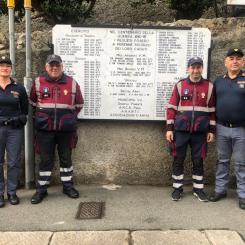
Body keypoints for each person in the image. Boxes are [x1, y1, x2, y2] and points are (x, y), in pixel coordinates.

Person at [30, 54, 84, 204]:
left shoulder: (72, 83)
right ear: (46, 67)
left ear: (62, 67)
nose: (54, 68)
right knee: (45, 160)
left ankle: (68, 187)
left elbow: (79, 104)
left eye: (57, 65)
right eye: (51, 65)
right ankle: (41, 190)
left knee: (66, 159)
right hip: (44, 129)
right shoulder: (38, 82)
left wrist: (68, 119)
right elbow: (33, 102)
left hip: (65, 130)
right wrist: (43, 117)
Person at [166, 57, 216, 202]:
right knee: (178, 159)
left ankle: (198, 189)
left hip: (200, 132)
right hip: (181, 130)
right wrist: (169, 128)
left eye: (198, 67)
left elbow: (212, 110)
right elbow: (171, 108)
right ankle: (177, 188)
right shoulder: (180, 85)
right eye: (193, 67)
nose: (195, 70)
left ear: (202, 68)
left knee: (198, 160)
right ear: (188, 69)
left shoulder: (209, 86)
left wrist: (212, 130)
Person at [209, 48, 245, 210]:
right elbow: (212, 105)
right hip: (222, 128)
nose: (235, 61)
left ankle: (243, 195)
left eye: (238, 58)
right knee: (222, 161)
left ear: (243, 62)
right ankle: (220, 190)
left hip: (241, 130)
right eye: (231, 58)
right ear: (226, 62)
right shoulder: (218, 81)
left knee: (241, 164)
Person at [0, 55, 28, 208]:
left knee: (13, 162)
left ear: (11, 69)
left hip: (14, 130)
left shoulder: (19, 88)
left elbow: (25, 110)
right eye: (2, 65)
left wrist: (18, 119)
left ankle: (11, 192)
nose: (4, 68)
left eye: (7, 66)